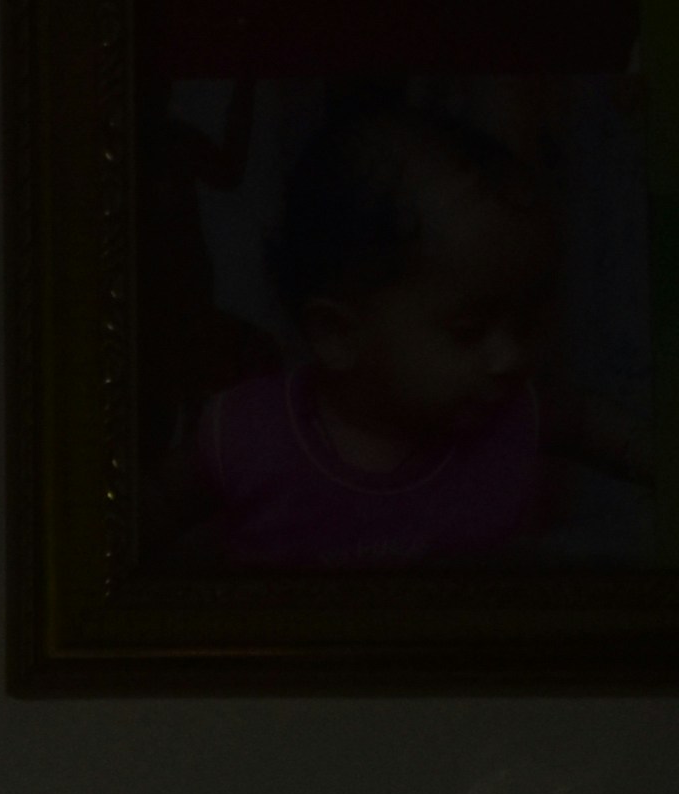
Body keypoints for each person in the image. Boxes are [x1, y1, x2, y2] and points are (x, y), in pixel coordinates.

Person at [192, 86, 571, 566]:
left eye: (526, 323)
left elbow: (591, 428)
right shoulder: (248, 438)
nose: (512, 356)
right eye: (470, 330)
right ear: (338, 334)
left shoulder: (510, 417)